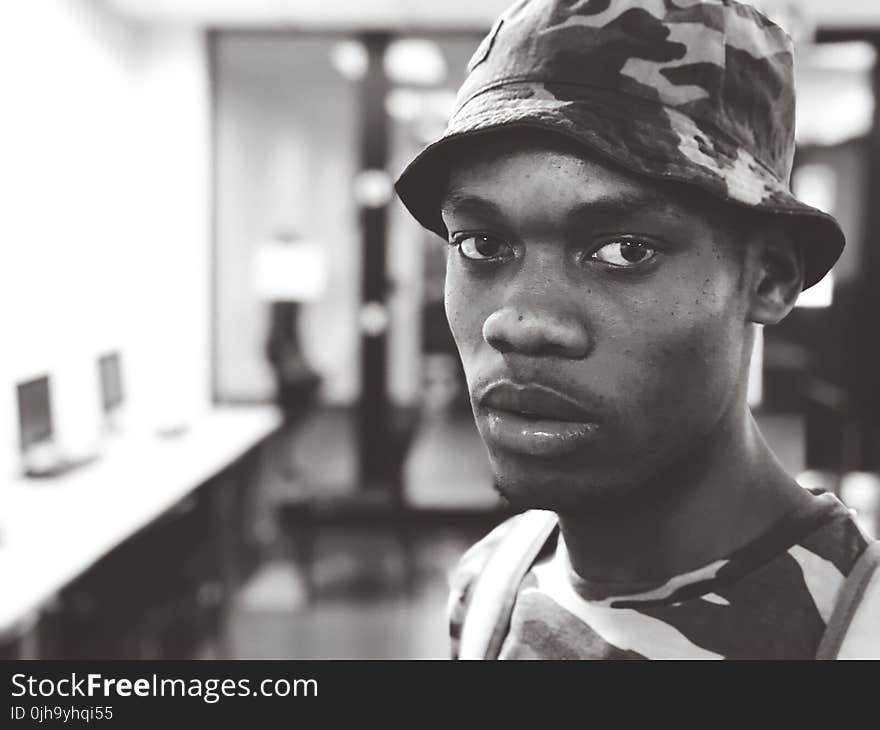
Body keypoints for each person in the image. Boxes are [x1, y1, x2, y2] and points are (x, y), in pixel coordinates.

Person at [394, 0, 879, 659]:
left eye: (622, 250)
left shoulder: (855, 629)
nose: (522, 323)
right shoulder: (490, 588)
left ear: (768, 276)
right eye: (482, 245)